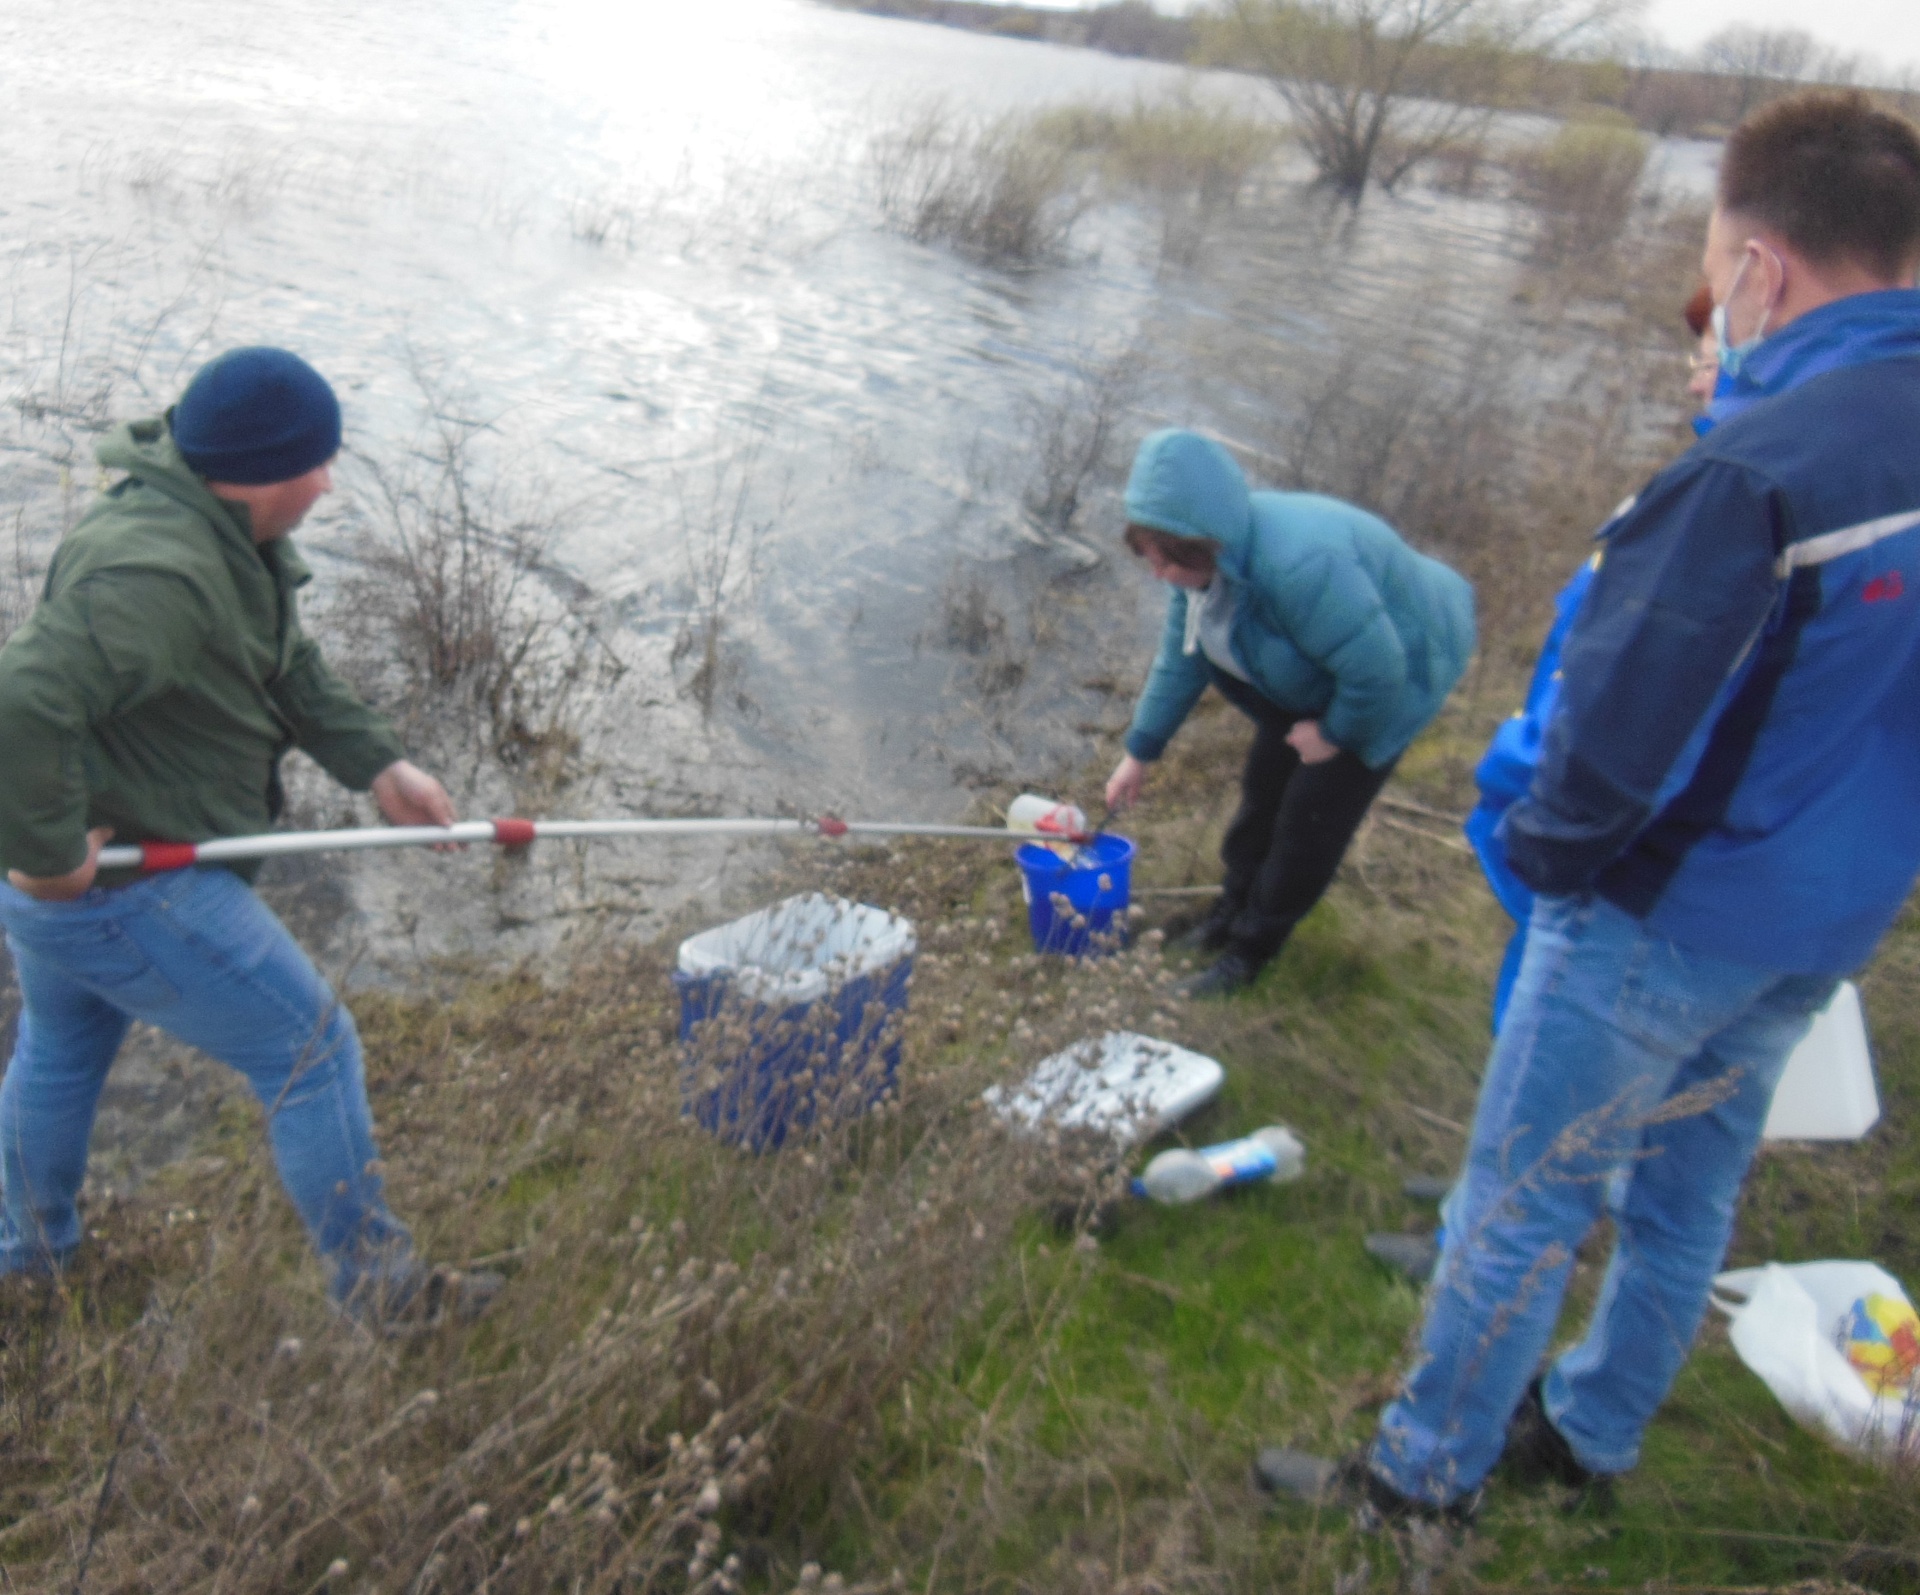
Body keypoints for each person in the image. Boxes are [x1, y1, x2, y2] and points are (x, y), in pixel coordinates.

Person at [1258, 91, 1920, 1522]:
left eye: (1714, 255)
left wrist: (1542, 860)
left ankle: (1421, 1485)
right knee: (1690, 1189)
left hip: (1664, 915)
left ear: (1763, 266)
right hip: (1826, 919)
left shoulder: (1756, 471)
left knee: (1524, 1202)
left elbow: (1611, 744)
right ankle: (1593, 1438)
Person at [0, 346, 498, 1328]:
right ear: (271, 468)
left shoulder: (216, 528)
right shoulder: (161, 572)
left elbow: (284, 662)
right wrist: (52, 855)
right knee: (311, 1050)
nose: (329, 480)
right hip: (121, 887)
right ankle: (385, 1292)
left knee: (58, 1049)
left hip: (81, 892)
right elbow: (21, 702)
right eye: (321, 460)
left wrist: (379, 765)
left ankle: (28, 1260)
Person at [1103, 428, 1476, 998]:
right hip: (1319, 676)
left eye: (1162, 562)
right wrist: (1139, 752)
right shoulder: (1199, 575)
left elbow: (1380, 672)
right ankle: (1226, 918)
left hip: (1400, 672)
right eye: (1147, 560)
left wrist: (1334, 734)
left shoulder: (1300, 568)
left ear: (1198, 544)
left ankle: (1248, 957)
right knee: (1261, 798)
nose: (1157, 576)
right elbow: (1181, 661)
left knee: (1308, 825)